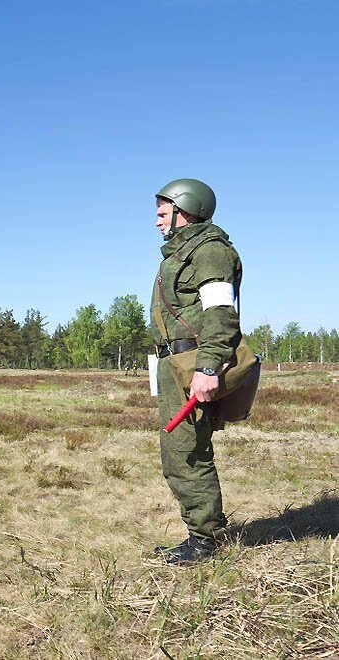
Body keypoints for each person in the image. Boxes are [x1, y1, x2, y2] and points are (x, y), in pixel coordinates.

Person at [150, 178, 242, 565]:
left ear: (185, 208)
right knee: (178, 452)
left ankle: (205, 541)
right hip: (175, 364)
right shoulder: (179, 253)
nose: (156, 221)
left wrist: (208, 366)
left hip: (193, 364)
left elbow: (221, 314)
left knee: (187, 452)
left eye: (161, 212)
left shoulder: (209, 252)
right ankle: (202, 532)